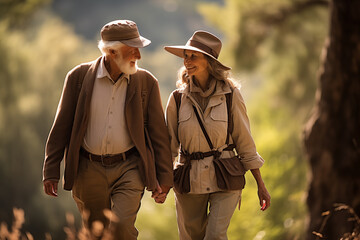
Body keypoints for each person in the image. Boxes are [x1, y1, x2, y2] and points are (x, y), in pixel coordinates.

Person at [42, 20, 173, 240]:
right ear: (112, 51)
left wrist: (165, 177)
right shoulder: (78, 77)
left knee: (121, 227)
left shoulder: (146, 82)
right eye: (132, 51)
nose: (139, 57)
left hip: (130, 167)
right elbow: (61, 126)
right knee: (97, 233)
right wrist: (51, 169)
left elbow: (158, 133)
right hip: (88, 168)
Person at [164, 30, 271, 240]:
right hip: (189, 180)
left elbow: (245, 142)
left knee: (215, 236)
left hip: (226, 176)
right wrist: (163, 182)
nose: (187, 61)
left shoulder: (231, 96)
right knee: (191, 237)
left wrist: (261, 185)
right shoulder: (177, 99)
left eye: (194, 56)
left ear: (210, 61)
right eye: (186, 56)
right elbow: (168, 147)